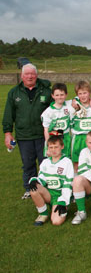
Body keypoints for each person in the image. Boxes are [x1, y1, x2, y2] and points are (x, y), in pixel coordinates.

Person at [3, 63, 52, 199]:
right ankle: (29, 189)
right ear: (22, 76)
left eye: (32, 74)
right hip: (24, 135)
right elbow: (8, 114)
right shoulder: (14, 92)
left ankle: (46, 187)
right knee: (28, 163)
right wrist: (8, 133)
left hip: (43, 135)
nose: (30, 76)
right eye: (27, 74)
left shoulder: (46, 91)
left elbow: (56, 108)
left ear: (36, 75)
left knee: (45, 163)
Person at [28, 135, 74, 226]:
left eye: (56, 147)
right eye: (51, 147)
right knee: (34, 189)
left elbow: (68, 184)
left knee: (56, 222)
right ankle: (43, 214)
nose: (53, 150)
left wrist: (63, 200)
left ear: (62, 147)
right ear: (47, 148)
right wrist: (34, 180)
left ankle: (62, 206)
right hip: (48, 194)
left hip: (59, 195)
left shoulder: (67, 162)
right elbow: (42, 178)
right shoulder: (45, 162)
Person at [71, 81, 91, 171]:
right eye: (80, 94)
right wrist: (75, 99)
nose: (83, 96)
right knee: (77, 163)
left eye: (85, 93)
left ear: (90, 93)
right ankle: (77, 183)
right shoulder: (73, 106)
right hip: (78, 139)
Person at [41, 83, 75, 158]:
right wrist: (48, 146)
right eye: (57, 95)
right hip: (54, 140)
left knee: (66, 161)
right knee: (54, 162)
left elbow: (79, 98)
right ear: (52, 96)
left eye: (62, 94)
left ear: (66, 94)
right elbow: (46, 130)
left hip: (66, 139)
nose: (59, 97)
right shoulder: (48, 112)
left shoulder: (69, 105)